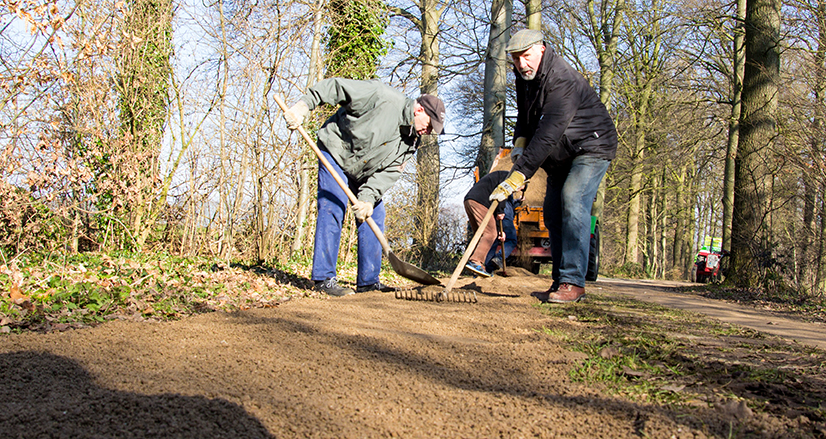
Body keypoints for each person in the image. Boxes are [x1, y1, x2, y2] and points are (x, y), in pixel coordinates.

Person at [284, 78, 446, 297]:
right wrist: (303, 106)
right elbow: (336, 87)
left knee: (375, 214)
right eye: (429, 124)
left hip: (364, 172)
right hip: (337, 152)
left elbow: (387, 174)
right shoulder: (381, 96)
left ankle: (368, 283)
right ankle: (323, 278)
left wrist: (368, 198)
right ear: (419, 109)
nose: (429, 131)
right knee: (333, 205)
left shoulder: (412, 141)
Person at [489, 29, 617, 303]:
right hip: (561, 154)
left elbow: (549, 132)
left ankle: (574, 282)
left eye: (526, 56)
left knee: (572, 200)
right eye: (515, 58)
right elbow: (525, 116)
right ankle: (560, 281)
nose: (521, 64)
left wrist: (520, 175)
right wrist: (520, 142)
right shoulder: (525, 78)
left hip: (591, 147)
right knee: (552, 210)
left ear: (542, 49)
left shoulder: (562, 79)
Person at [463, 170, 520, 277]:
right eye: (519, 188)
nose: (517, 190)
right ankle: (475, 261)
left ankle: (475, 268)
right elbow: (502, 194)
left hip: (469, 200)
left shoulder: (499, 176)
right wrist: (501, 211)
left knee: (480, 236)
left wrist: (500, 231)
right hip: (480, 202)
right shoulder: (507, 178)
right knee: (490, 234)